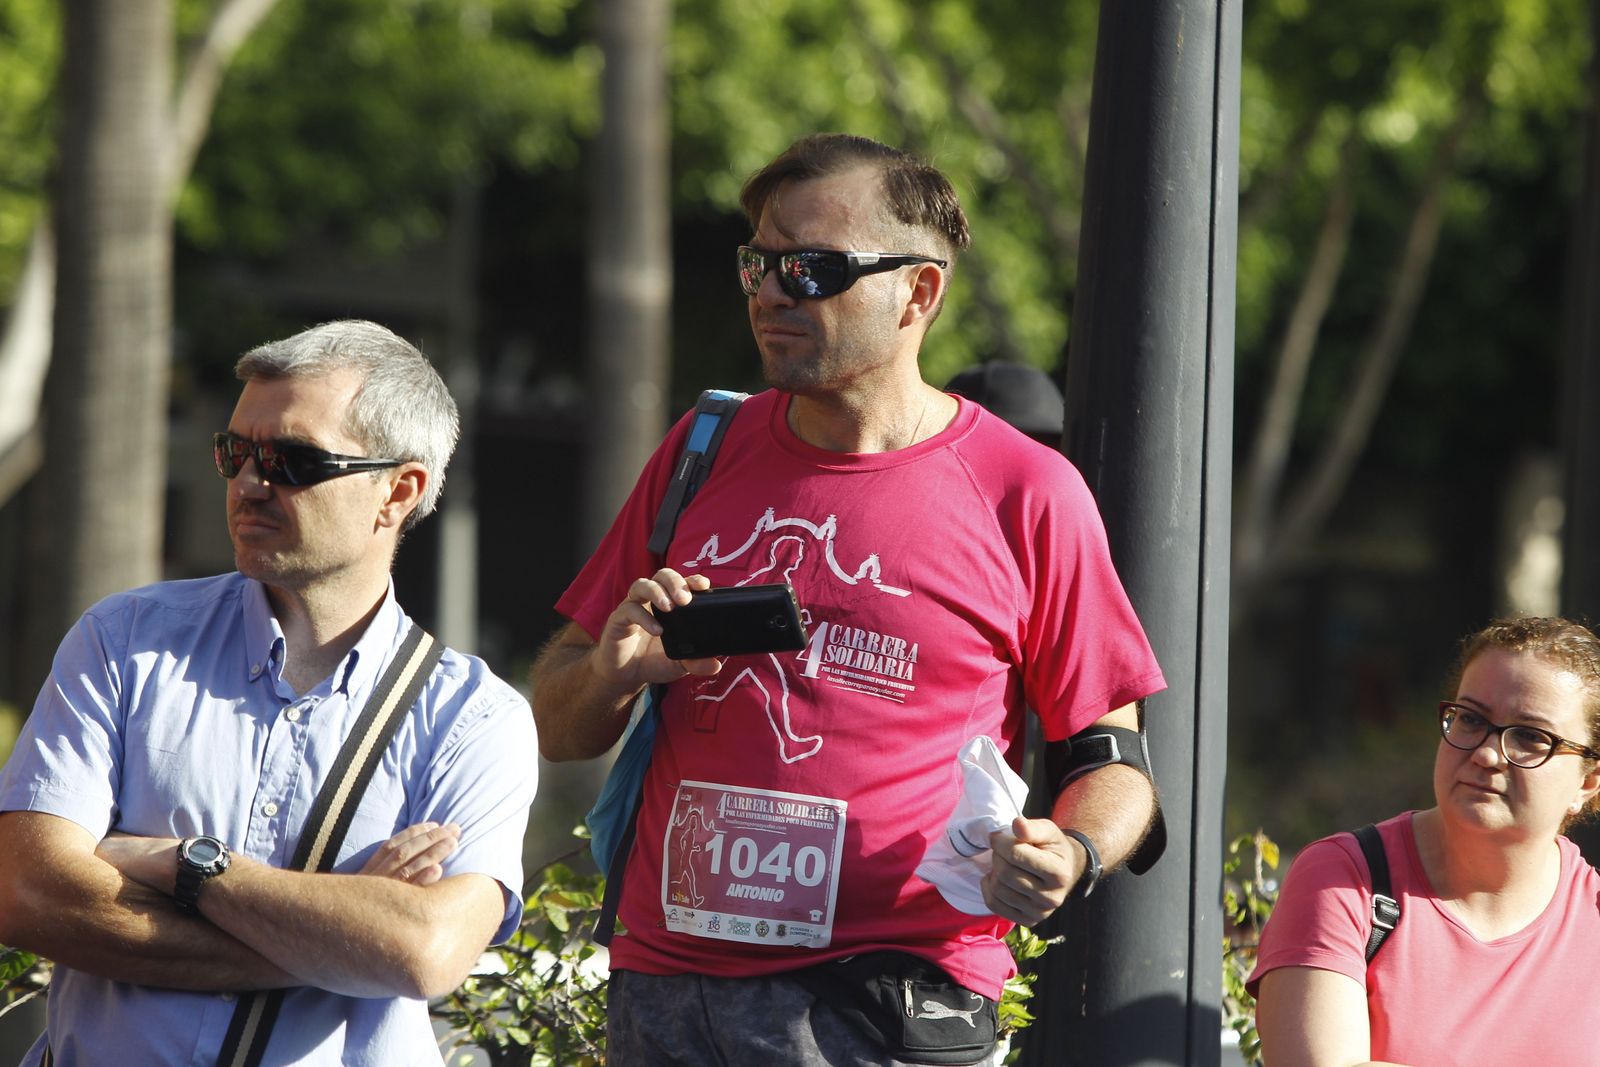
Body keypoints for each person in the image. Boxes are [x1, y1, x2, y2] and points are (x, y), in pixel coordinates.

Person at [531, 132, 1166, 1065]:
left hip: (883, 1003)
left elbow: (1116, 759)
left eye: (814, 266)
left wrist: (1069, 854)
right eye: (760, 263)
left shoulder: (1023, 490)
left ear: (919, 292)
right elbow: (557, 718)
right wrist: (610, 675)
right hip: (665, 990)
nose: (773, 291)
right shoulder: (703, 447)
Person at [0, 320, 539, 1066]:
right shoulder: (126, 640)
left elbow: (425, 948)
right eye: (236, 452)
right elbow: (31, 892)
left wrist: (185, 863)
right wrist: (343, 937)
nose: (249, 483)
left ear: (399, 490)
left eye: (291, 460)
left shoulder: (475, 720)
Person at [1249, 616, 1600, 1067]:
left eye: (1531, 736)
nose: (1487, 753)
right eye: (1471, 719)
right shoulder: (1345, 881)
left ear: (1588, 781)